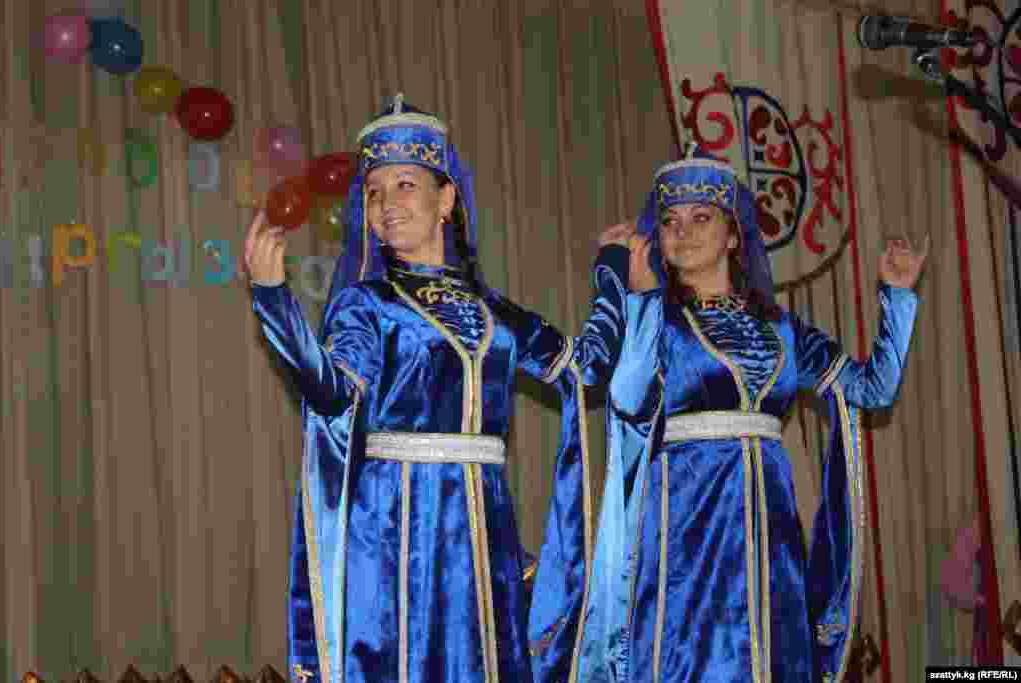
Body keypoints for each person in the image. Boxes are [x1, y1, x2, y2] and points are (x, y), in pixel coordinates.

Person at [244, 96, 631, 683]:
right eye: (374, 191)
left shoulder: (498, 315)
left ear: (446, 199)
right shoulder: (364, 305)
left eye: (405, 185)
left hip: (482, 531)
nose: (387, 203)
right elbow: (333, 393)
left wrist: (614, 272)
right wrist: (275, 301)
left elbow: (587, 368)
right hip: (393, 529)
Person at [575, 144, 927, 683]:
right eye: (670, 222)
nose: (683, 232)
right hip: (683, 524)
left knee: (769, 651)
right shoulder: (654, 319)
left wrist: (897, 298)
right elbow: (624, 395)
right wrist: (632, 292)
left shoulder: (782, 330)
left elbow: (872, 389)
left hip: (768, 527)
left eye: (701, 218)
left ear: (734, 235)